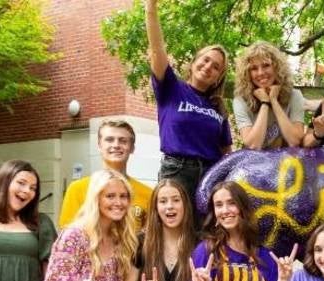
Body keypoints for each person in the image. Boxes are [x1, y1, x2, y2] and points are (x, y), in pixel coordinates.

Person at [145, 0, 232, 204]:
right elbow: (157, 50)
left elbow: (226, 154)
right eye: (205, 59)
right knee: (175, 231)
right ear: (193, 63)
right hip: (177, 172)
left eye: (217, 67)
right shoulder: (171, 88)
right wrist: (151, 7)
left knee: (205, 232)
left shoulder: (218, 108)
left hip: (211, 175)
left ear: (219, 77)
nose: (209, 66)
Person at [58, 119, 153, 230]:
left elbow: (151, 239)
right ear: (99, 145)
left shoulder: (148, 194)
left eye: (123, 141)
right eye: (109, 140)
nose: (116, 145)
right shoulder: (77, 189)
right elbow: (66, 235)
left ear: (132, 148)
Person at [233, 41, 306, 150]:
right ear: (247, 73)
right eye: (254, 68)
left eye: (266, 65)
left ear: (277, 68)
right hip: (254, 164)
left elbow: (294, 141)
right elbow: (253, 145)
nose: (260, 73)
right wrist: (265, 103)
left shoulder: (295, 95)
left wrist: (273, 100)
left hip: (286, 163)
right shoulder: (240, 100)